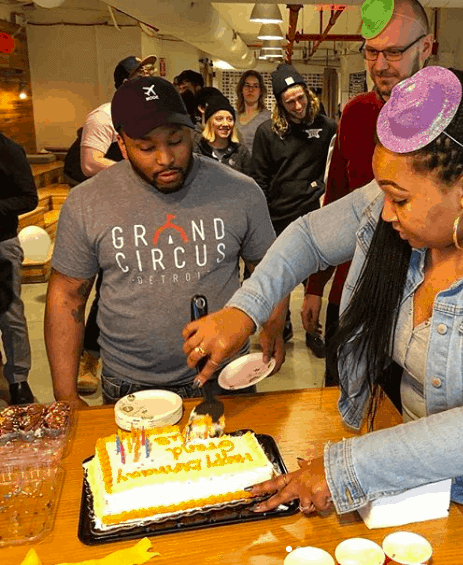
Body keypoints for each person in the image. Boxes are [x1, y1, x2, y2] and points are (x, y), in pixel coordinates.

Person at [182, 67, 463, 565]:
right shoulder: (400, 204)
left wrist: (344, 468)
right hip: (422, 476)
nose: (383, 212)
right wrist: (245, 310)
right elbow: (309, 237)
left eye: (398, 199)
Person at [45, 76, 287, 409]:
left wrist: (272, 326)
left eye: (176, 141)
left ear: (191, 131)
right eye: (146, 147)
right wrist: (65, 394)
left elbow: (271, 268)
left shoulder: (241, 192)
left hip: (225, 375)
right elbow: (67, 295)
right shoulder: (88, 202)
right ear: (121, 143)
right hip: (131, 385)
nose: (165, 158)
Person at [302, 0, 433, 383]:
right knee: (338, 399)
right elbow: (336, 200)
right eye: (371, 52)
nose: (380, 65)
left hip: (416, 298)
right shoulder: (356, 115)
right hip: (353, 287)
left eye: (393, 53)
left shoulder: (450, 119)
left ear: (426, 47)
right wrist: (316, 284)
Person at [75, 54, 157, 395]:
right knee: (110, 282)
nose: (148, 78)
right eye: (141, 74)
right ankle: (89, 355)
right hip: (110, 209)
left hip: (147, 208)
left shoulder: (152, 114)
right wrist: (136, 170)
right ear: (124, 81)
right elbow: (89, 162)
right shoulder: (104, 116)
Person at [250, 63, 337, 345]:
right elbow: (259, 179)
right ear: (280, 104)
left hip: (313, 215)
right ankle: (282, 324)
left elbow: (335, 169)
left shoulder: (326, 127)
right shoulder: (267, 132)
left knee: (312, 280)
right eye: (290, 102)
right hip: (279, 216)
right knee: (281, 278)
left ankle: (312, 331)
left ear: (308, 94)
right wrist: (261, 222)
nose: (298, 106)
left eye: (301, 99)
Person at [0, 132, 38, 405]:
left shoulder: (9, 150)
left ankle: (18, 379)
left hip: (1, 243)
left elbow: (28, 198)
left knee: (10, 315)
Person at [195, 94, 251, 175]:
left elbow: (248, 183)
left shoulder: (241, 152)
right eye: (219, 119)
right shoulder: (198, 149)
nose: (225, 124)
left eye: (230, 119)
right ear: (210, 123)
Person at [235, 70, 271, 155]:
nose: (251, 90)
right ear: (241, 89)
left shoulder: (268, 118)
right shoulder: (233, 117)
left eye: (255, 86)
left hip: (257, 166)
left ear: (261, 91)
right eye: (247, 85)